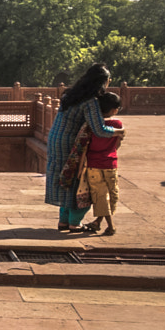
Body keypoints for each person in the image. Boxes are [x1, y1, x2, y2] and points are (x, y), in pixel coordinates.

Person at [45, 63, 121, 231]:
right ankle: (74, 223)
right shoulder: (90, 101)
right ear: (102, 82)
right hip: (70, 142)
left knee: (65, 177)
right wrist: (118, 131)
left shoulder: (71, 94)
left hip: (55, 138)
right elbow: (99, 129)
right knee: (76, 179)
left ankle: (63, 221)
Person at [84, 90, 125, 236]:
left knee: (100, 194)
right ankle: (108, 225)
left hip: (93, 163)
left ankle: (101, 223)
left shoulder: (93, 125)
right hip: (110, 163)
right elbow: (117, 145)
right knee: (111, 193)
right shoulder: (118, 124)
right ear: (114, 110)